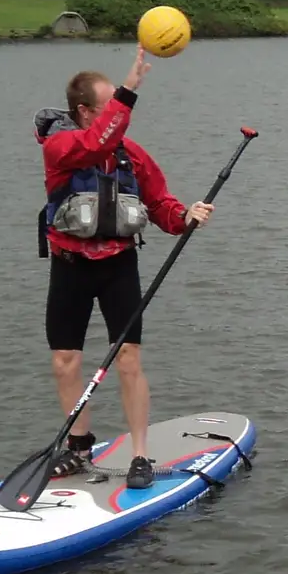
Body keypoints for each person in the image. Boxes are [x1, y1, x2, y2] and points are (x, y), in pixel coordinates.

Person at [35, 46, 213, 490]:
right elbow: (94, 142)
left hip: (118, 264)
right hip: (71, 265)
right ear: (83, 111)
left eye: (119, 104)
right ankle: (78, 447)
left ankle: (139, 455)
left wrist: (184, 217)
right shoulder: (61, 147)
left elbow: (159, 204)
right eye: (108, 105)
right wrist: (130, 89)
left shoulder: (131, 154)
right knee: (64, 360)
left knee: (128, 359)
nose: (118, 114)